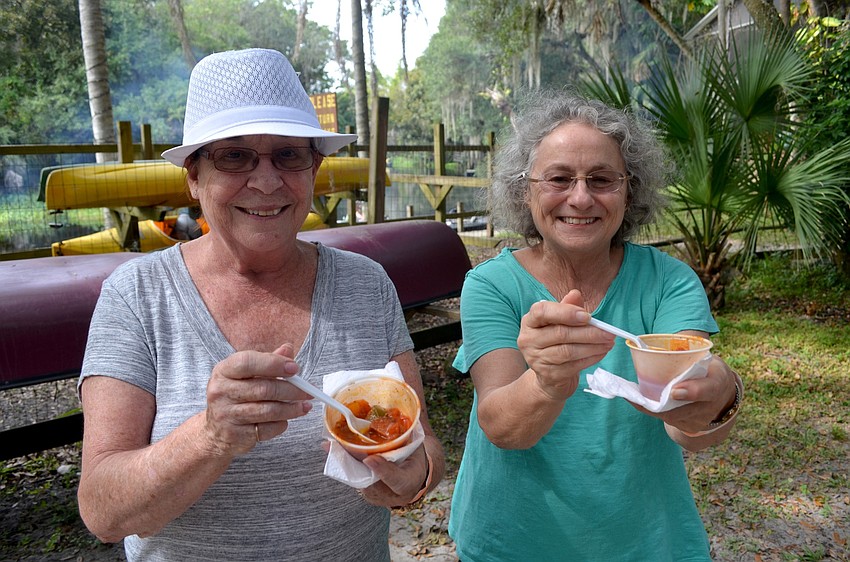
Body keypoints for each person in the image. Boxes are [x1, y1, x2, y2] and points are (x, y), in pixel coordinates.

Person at [76, 48, 444, 561]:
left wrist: (411, 478)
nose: (267, 181)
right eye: (234, 155)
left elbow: (424, 444)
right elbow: (102, 512)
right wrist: (209, 437)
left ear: (314, 168)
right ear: (194, 177)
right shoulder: (137, 296)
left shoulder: (366, 284)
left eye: (289, 154)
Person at [448, 90, 743, 560]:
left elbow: (689, 429)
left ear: (631, 190)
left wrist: (720, 394)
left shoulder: (668, 282)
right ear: (526, 191)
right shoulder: (491, 285)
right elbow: (503, 428)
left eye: (602, 179)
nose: (581, 197)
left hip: (642, 542)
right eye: (560, 178)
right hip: (511, 541)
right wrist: (548, 383)